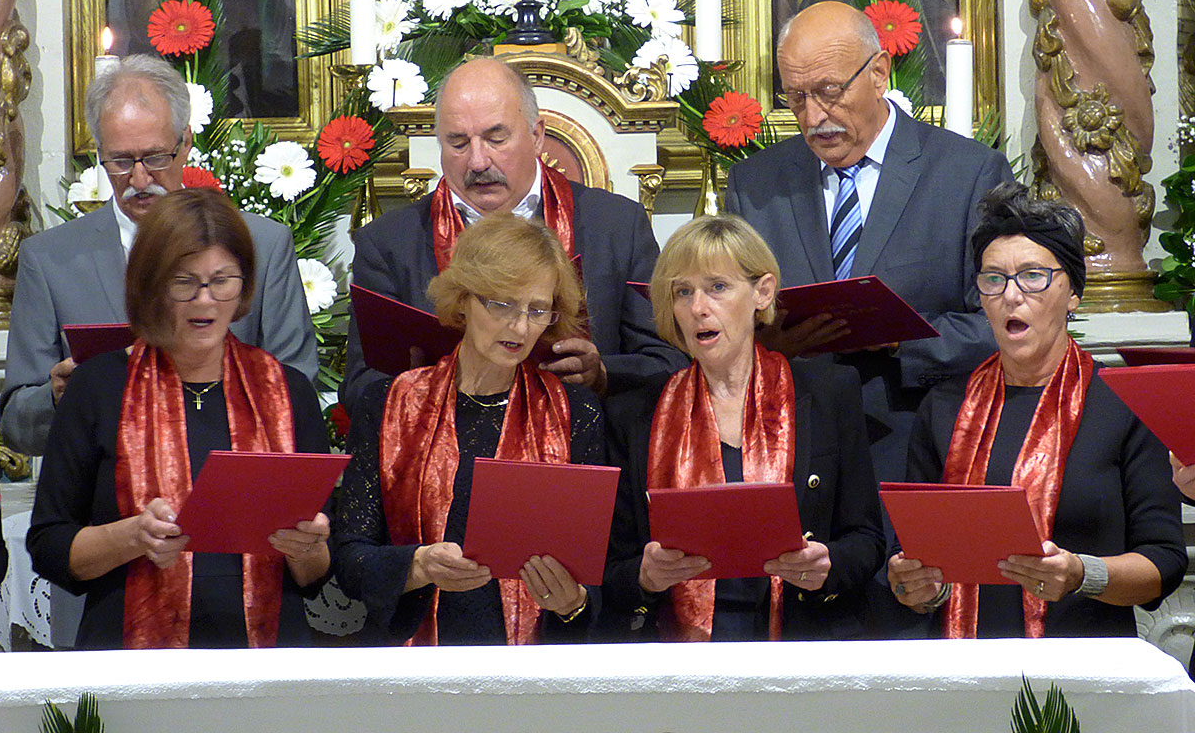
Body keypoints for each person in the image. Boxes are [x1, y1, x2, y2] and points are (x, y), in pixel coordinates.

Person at [724, 1, 1015, 487]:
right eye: (796, 97)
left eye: (829, 91)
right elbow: (725, 320)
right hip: (788, 451)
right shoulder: (755, 184)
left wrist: (901, 338)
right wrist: (766, 344)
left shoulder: (968, 175)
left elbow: (1006, 325)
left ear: (878, 73)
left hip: (916, 448)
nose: (814, 116)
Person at [27, 189, 331, 649]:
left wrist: (308, 548)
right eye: (184, 282)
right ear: (151, 285)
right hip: (129, 654)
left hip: (267, 659)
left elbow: (316, 574)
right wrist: (133, 536)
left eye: (222, 280)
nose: (205, 301)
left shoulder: (288, 391)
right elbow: (49, 548)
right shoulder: (98, 387)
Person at [887, 184, 1186, 638]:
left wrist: (1081, 574)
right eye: (994, 279)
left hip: (1081, 660)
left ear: (1073, 293)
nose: (1011, 295)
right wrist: (913, 586)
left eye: (1033, 276)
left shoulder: (1122, 400)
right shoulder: (944, 406)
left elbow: (1163, 563)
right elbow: (913, 559)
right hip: (962, 661)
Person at [0, 54, 317, 457]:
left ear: (185, 143)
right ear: (99, 152)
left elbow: (298, 389)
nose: (139, 178)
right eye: (120, 161)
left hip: (229, 475)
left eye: (154, 158)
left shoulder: (263, 245)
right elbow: (17, 425)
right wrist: (58, 397)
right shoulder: (50, 260)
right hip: (105, 482)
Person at [340, 57, 686, 415]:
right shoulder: (388, 243)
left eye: (496, 139)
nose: (477, 162)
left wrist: (602, 374)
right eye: (458, 143)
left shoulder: (615, 226)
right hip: (441, 443)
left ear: (536, 136)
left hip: (584, 440)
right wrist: (424, 385)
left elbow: (669, 362)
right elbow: (359, 387)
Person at [600, 215, 884, 642]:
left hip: (801, 641)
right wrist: (645, 576)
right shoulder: (637, 411)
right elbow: (611, 568)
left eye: (717, 287)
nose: (698, 308)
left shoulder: (828, 392)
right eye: (682, 292)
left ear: (762, 292)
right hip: (679, 650)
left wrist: (827, 566)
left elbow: (867, 538)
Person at [333, 214, 606, 645]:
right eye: (502, 304)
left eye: (537, 310)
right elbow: (350, 560)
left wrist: (572, 602)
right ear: (463, 300)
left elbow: (598, 574)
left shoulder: (575, 411)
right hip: (418, 661)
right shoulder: (390, 404)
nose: (520, 326)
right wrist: (418, 566)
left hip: (531, 663)